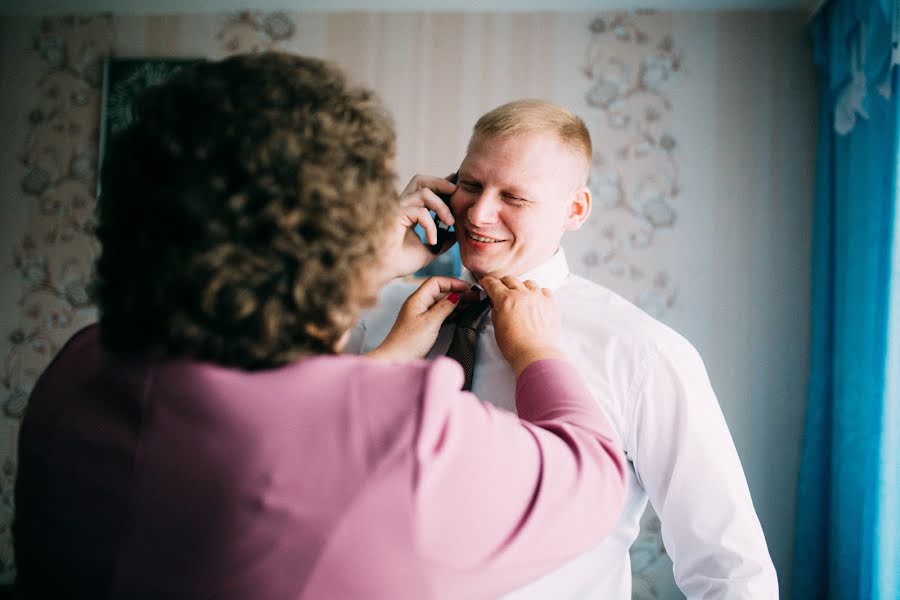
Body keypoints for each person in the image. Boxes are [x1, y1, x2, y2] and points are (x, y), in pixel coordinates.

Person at [12, 55, 629, 599]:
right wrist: (540, 353)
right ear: (337, 236)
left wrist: (375, 333)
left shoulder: (79, 366)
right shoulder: (396, 427)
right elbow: (594, 475)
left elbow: (275, 421)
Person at [350, 99, 780, 598]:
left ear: (574, 209)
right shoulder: (373, 313)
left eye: (514, 196)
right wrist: (372, 263)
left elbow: (728, 566)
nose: (479, 212)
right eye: (470, 184)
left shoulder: (642, 353)